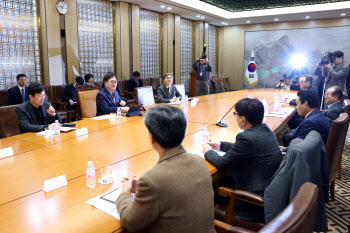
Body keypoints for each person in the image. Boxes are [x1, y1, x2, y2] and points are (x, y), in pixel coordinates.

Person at [116, 105, 215, 233]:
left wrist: (125, 193)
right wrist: (144, 185)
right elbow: (173, 184)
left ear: (152, 137)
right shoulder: (200, 161)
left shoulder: (153, 179)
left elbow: (130, 222)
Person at [202, 98, 282, 222]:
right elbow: (244, 148)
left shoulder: (246, 138)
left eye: (236, 114)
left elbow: (222, 163)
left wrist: (207, 151)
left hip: (252, 202)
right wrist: (220, 145)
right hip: (268, 191)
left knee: (209, 187)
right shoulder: (265, 129)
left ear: (243, 119)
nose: (236, 117)